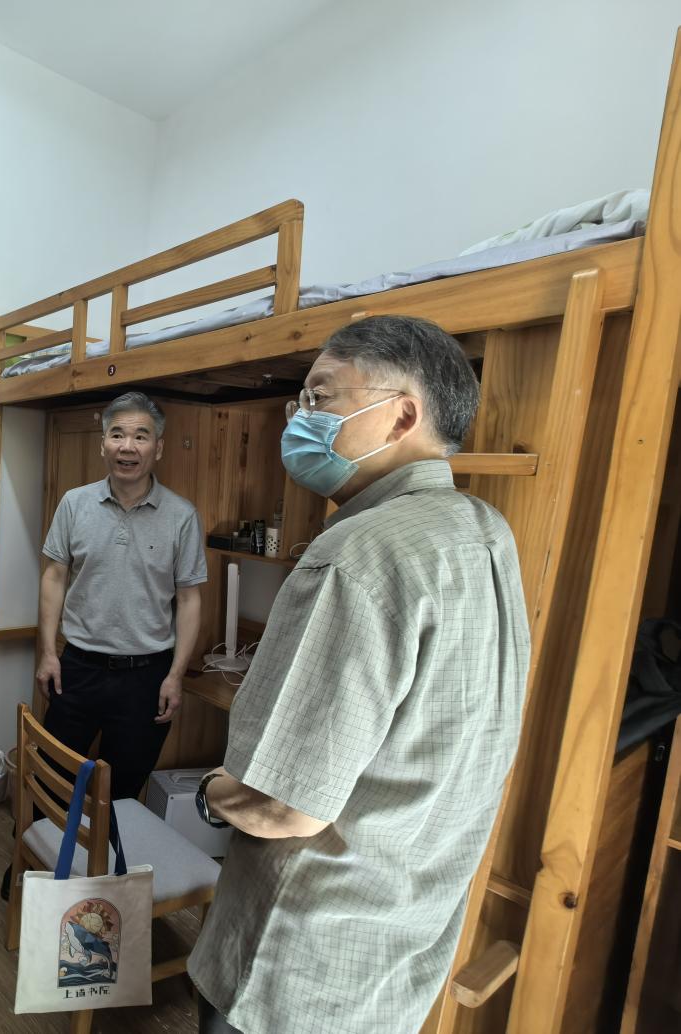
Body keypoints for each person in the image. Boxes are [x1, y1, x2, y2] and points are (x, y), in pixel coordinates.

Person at [189, 316, 530, 1034]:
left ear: (402, 415)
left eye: (319, 397)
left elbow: (283, 806)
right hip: (403, 941)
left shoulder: (356, 552)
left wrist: (208, 792)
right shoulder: (485, 530)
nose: (298, 419)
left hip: (297, 954)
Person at [35, 390, 207, 804]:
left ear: (158, 448)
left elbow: (189, 600)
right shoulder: (75, 503)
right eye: (117, 435)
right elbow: (54, 577)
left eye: (140, 436)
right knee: (51, 778)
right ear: (103, 444)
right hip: (77, 668)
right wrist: (48, 653)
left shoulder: (182, 515)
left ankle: (106, 850)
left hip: (146, 678)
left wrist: (175, 675)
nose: (127, 446)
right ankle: (37, 846)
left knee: (123, 794)